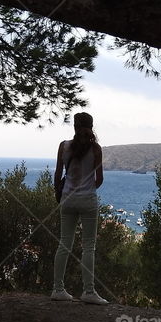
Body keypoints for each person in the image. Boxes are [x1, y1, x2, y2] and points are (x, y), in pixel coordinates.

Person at [51, 112, 109, 304]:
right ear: (92, 127)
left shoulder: (63, 146)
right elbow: (99, 179)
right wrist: (87, 189)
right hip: (88, 201)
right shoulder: (96, 149)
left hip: (67, 200)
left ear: (74, 127)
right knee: (89, 246)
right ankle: (88, 292)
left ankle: (57, 289)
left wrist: (63, 192)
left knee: (64, 244)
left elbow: (57, 175)